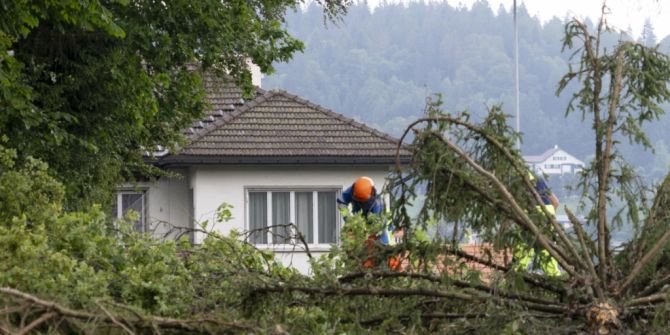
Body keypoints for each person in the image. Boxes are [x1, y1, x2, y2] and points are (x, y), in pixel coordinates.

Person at [338, 176, 401, 269]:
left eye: (363, 201)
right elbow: (341, 202)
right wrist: (349, 220)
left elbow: (379, 229)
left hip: (380, 227)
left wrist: (369, 236)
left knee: (381, 247)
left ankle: (389, 267)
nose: (361, 203)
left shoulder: (378, 204)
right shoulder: (353, 190)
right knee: (356, 249)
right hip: (359, 221)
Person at [513, 172, 562, 277]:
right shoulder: (538, 179)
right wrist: (549, 217)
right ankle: (557, 280)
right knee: (548, 253)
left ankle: (515, 279)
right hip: (547, 213)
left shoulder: (514, 180)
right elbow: (556, 202)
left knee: (522, 252)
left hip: (529, 214)